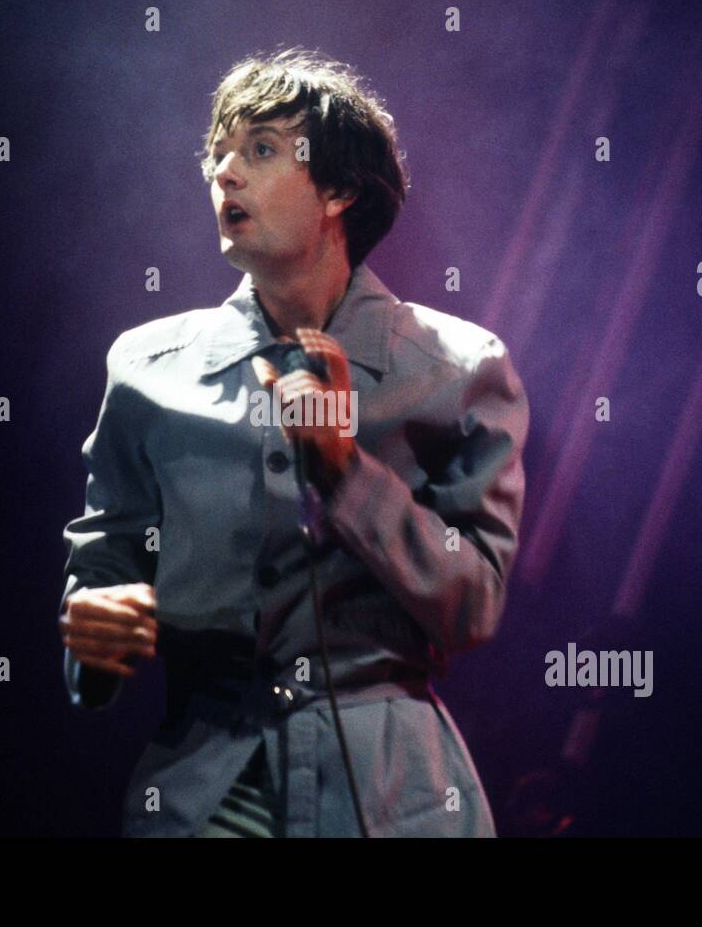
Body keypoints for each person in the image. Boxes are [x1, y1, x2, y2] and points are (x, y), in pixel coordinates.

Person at [58, 48, 529, 837]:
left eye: (261, 150)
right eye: (219, 153)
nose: (225, 174)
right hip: (205, 787)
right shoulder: (146, 368)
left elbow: (473, 605)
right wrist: (90, 635)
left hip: (394, 800)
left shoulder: (458, 368)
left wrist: (347, 474)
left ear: (339, 187)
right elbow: (105, 565)